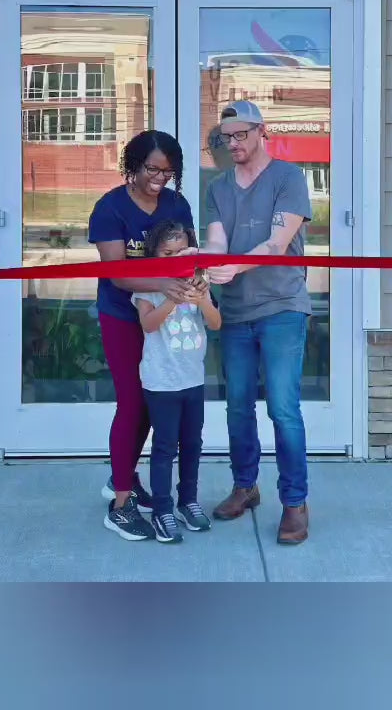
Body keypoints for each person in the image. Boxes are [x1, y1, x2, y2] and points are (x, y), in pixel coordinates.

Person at [203, 101, 312, 545]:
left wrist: (233, 266)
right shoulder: (218, 187)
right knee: (237, 406)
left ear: (260, 131)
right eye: (226, 137)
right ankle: (245, 486)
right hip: (235, 312)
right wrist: (207, 261)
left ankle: (295, 503)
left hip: (283, 306)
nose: (232, 143)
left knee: (283, 409)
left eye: (240, 135)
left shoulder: (289, 178)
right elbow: (217, 243)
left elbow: (277, 243)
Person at [88, 130, 204, 542]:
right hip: (123, 316)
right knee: (133, 402)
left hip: (168, 317)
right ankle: (120, 505)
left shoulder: (177, 205)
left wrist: (195, 282)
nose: (159, 178)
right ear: (133, 165)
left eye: (167, 172)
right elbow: (116, 274)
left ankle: (123, 477)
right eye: (152, 169)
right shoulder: (110, 208)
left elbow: (190, 256)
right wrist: (165, 283)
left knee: (157, 404)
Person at [132, 220, 221, 544]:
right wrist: (171, 299)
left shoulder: (199, 282)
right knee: (165, 446)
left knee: (193, 444)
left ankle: (188, 501)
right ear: (154, 255)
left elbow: (216, 323)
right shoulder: (148, 288)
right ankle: (161, 508)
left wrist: (202, 300)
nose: (174, 258)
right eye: (167, 253)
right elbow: (148, 325)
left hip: (192, 380)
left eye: (181, 251)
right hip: (161, 382)